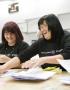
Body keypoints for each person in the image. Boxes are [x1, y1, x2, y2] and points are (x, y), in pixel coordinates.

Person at [0, 14, 70, 73]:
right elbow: (22, 56)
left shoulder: (66, 37)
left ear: (54, 25)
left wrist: (43, 60)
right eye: (40, 27)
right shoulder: (40, 42)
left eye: (44, 26)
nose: (42, 30)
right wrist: (2, 68)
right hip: (48, 76)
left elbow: (67, 55)